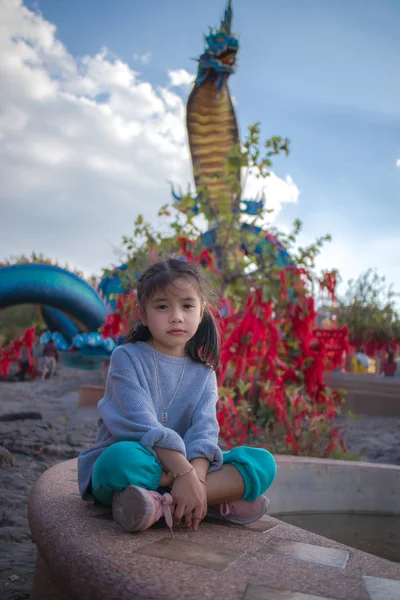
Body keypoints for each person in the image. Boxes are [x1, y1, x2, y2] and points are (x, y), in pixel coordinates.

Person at [78, 259, 276, 533]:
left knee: (262, 462)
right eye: (162, 306)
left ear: (202, 310)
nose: (176, 316)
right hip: (141, 461)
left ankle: (161, 504)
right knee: (118, 460)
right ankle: (209, 499)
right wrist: (183, 474)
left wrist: (196, 478)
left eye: (187, 305)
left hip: (185, 470)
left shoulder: (204, 373)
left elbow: (204, 433)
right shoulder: (126, 358)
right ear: (144, 315)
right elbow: (139, 424)